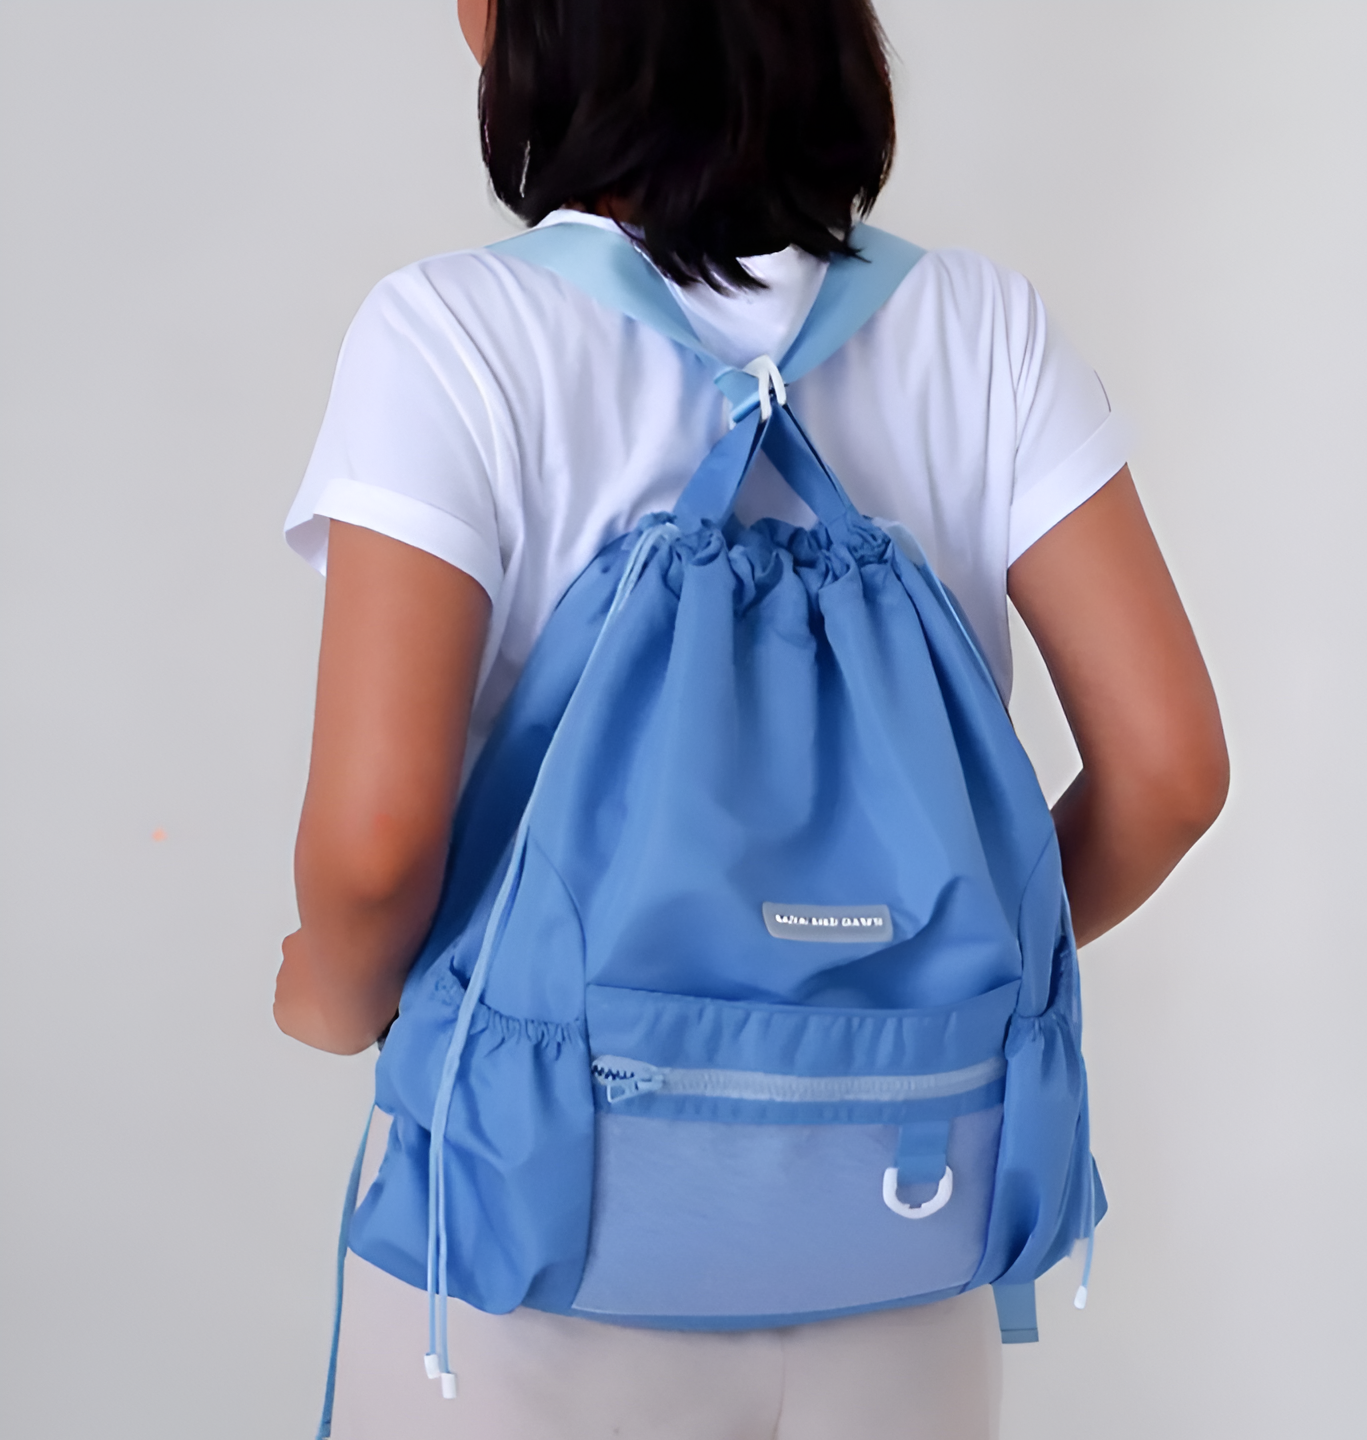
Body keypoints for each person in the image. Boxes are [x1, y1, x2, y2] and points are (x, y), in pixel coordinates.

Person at [275, 1, 1229, 1435]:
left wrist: (333, 996)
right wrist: (911, 992)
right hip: (903, 1226)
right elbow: (1171, 769)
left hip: (541, 1251)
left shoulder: (454, 333)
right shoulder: (979, 326)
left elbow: (377, 839)